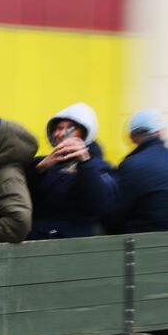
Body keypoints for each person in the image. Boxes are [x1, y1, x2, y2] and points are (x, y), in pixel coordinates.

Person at [102, 110, 168, 233]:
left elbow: (114, 214)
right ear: (160, 132)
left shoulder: (132, 165)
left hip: (143, 240)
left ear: (132, 138)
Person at [25, 102, 117, 239]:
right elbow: (20, 195)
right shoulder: (43, 163)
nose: (61, 134)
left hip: (69, 243)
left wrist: (85, 164)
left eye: (70, 129)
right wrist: (38, 169)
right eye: (58, 128)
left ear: (85, 134)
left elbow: (98, 206)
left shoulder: (99, 167)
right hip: (36, 237)